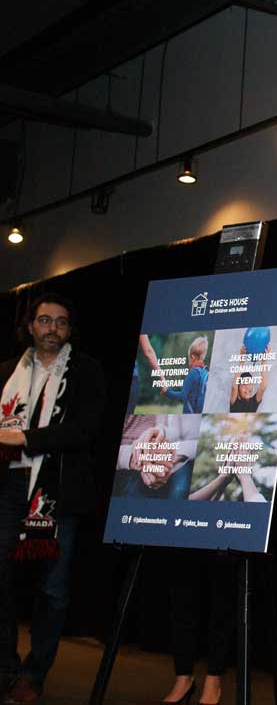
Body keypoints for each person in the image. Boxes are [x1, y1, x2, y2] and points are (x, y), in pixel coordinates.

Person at [0, 293, 106, 703]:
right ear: (30, 326)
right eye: (44, 320)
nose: (52, 328)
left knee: (53, 590)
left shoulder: (87, 372)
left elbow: (84, 430)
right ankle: (6, 668)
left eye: (61, 322)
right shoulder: (7, 372)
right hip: (9, 486)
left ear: (69, 330)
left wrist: (22, 438)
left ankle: (34, 672)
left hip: (59, 489)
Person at [162, 337, 208, 414]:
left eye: (189, 358)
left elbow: (182, 395)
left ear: (192, 357)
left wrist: (167, 391)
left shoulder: (193, 373)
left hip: (189, 412)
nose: (188, 362)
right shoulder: (206, 372)